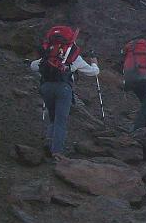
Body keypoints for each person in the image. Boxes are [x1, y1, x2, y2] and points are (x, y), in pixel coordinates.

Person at [30, 25, 99, 157]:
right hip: (63, 88)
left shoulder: (49, 53)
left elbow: (33, 66)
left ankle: (49, 143)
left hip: (46, 87)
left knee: (53, 117)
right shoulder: (73, 56)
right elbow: (94, 72)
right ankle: (57, 152)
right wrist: (94, 62)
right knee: (61, 121)